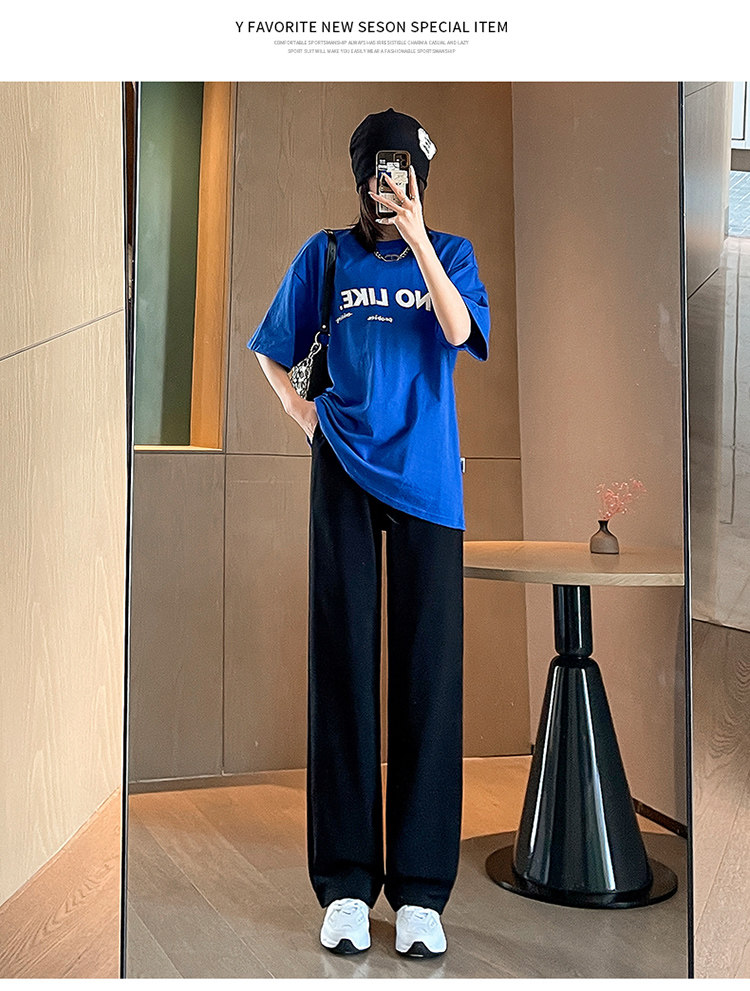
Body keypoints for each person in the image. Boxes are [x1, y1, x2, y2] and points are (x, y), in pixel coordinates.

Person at [246, 108, 490, 959]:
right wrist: (305, 417)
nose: (392, 187)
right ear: (360, 178)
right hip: (344, 471)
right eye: (381, 175)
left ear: (422, 178)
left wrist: (418, 238)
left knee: (428, 678)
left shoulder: (450, 253)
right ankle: (347, 883)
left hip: (429, 482)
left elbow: (457, 330)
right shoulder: (325, 255)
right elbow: (271, 348)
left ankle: (420, 892)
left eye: (406, 174)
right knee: (344, 667)